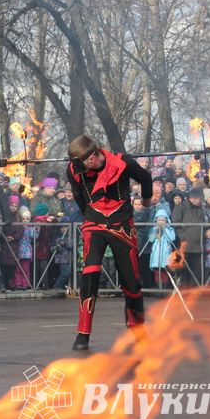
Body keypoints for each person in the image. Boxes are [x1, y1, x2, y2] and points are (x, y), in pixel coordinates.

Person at [65, 135, 153, 351]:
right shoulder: (74, 168)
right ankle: (82, 334)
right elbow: (79, 196)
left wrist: (146, 200)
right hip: (94, 224)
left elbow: (146, 178)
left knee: (131, 281)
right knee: (90, 273)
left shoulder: (123, 162)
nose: (81, 167)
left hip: (121, 225)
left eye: (84, 162)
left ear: (94, 156)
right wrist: (92, 214)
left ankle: (138, 331)